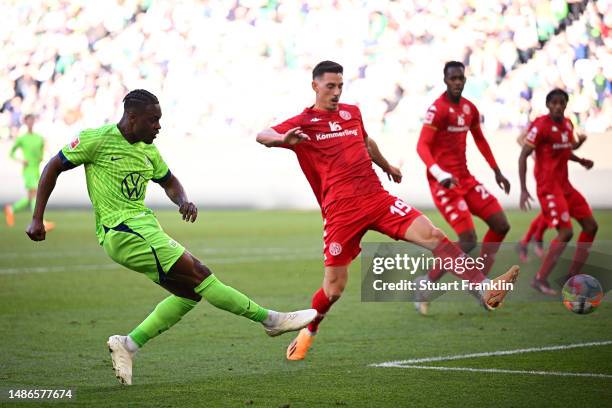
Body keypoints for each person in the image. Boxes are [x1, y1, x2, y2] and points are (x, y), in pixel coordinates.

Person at [25, 89, 316, 385]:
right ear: (132, 117)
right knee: (201, 274)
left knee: (189, 294)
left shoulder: (148, 150)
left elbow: (169, 181)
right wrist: (37, 218)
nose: (158, 126)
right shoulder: (95, 139)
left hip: (144, 228)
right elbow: (53, 166)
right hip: (122, 230)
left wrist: (182, 201)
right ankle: (271, 320)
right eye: (153, 120)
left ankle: (128, 344)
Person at [256, 61, 519, 361]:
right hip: (341, 213)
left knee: (433, 234)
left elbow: (365, 141)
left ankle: (485, 288)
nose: (336, 92)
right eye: (330, 86)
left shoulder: (351, 112)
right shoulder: (302, 122)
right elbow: (262, 135)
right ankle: (309, 331)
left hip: (377, 198)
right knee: (334, 289)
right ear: (314, 85)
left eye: (340, 86)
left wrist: (387, 166)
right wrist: (282, 139)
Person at [414, 61, 512, 314]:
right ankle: (427, 282)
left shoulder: (469, 108)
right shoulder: (437, 110)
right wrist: (439, 173)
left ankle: (479, 281)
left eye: (460, 78)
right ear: (445, 80)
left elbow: (480, 139)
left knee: (501, 225)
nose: (457, 82)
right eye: (453, 78)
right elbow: (422, 147)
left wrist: (496, 170)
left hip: (465, 179)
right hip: (443, 183)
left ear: (465, 79)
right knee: (468, 238)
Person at [518, 88, 598, 295]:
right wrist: (524, 189)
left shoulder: (567, 124)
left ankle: (572, 277)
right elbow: (523, 155)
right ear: (548, 105)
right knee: (566, 231)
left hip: (565, 186)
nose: (557, 106)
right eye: (553, 103)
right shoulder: (541, 125)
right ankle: (540, 279)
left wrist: (581, 160)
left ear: (565, 105)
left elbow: (564, 149)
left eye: (561, 103)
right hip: (548, 187)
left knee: (591, 226)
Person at [516, 131, 593, 262]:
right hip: (548, 183)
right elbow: (520, 139)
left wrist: (579, 147)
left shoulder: (550, 138)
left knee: (548, 213)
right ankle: (534, 240)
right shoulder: (538, 139)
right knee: (552, 214)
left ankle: (527, 242)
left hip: (560, 182)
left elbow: (566, 149)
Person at [4, 114, 54, 230]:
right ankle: (41, 221)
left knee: (31, 196)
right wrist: (21, 160)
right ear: (25, 122)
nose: (31, 122)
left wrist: (42, 156)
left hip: (36, 169)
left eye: (32, 119)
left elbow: (44, 149)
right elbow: (11, 153)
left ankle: (11, 209)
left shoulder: (39, 137)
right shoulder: (22, 138)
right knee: (36, 193)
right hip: (28, 170)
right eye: (28, 120)